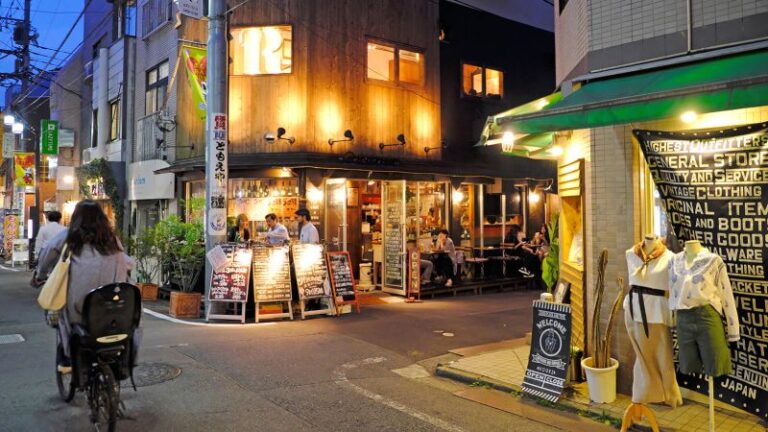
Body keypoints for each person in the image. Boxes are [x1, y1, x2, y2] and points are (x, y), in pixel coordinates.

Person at [37, 200, 134, 372]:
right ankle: (125, 363)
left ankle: (67, 358)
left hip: (79, 307)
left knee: (60, 314)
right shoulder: (112, 240)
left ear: (76, 218)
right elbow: (127, 263)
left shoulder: (69, 237)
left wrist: (40, 275)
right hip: (112, 305)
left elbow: (47, 254)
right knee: (134, 322)